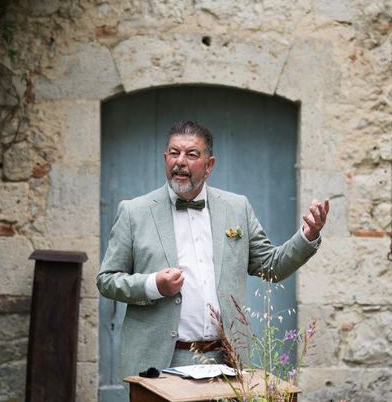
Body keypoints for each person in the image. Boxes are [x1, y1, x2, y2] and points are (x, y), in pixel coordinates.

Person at [97, 120, 329, 379]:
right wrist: (153, 285)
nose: (180, 161)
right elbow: (106, 281)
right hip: (159, 363)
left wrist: (308, 235)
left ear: (209, 166)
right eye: (174, 153)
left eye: (192, 154)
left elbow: (270, 267)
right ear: (165, 159)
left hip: (227, 361)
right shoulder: (134, 212)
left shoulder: (236, 207)